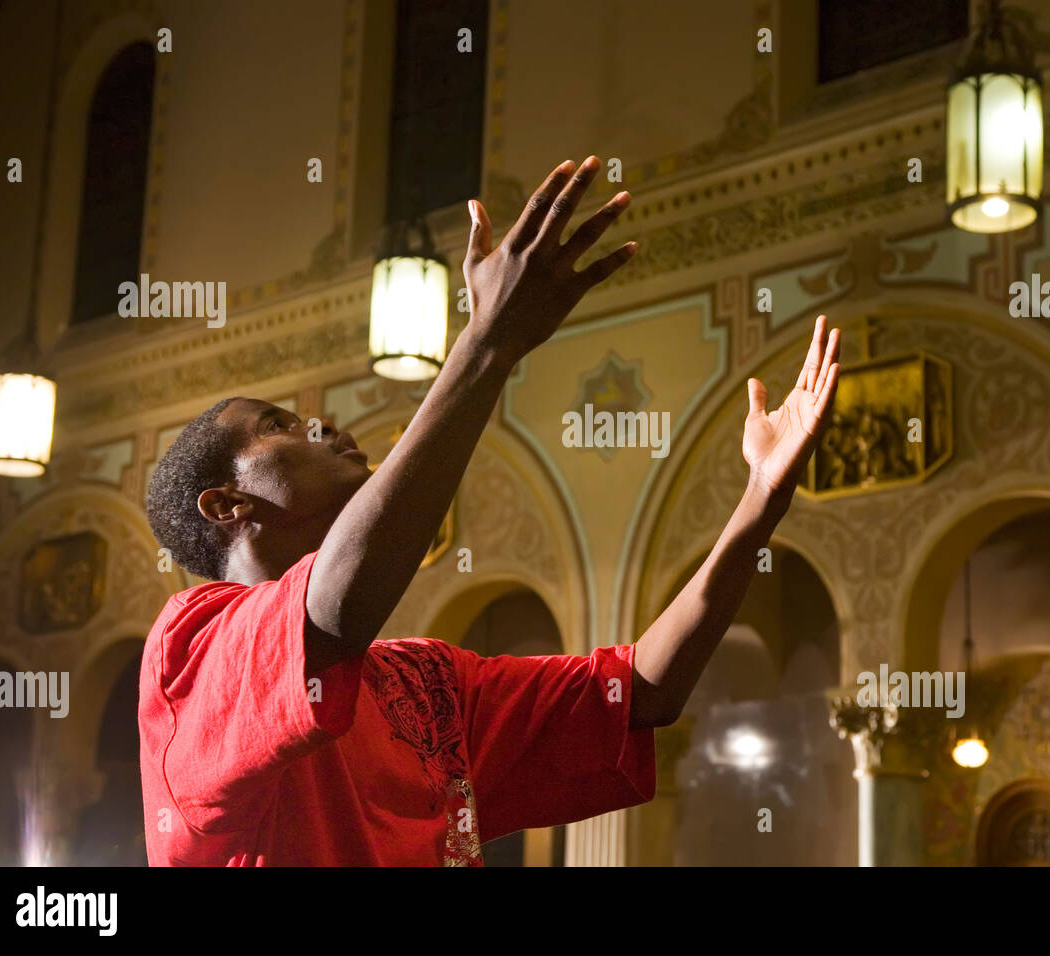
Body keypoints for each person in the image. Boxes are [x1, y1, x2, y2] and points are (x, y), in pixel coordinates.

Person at [139, 155, 842, 865]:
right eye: (279, 425)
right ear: (227, 504)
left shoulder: (424, 688)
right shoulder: (189, 655)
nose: (320, 425)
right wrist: (485, 344)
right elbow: (334, 607)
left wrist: (762, 496)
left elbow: (639, 692)